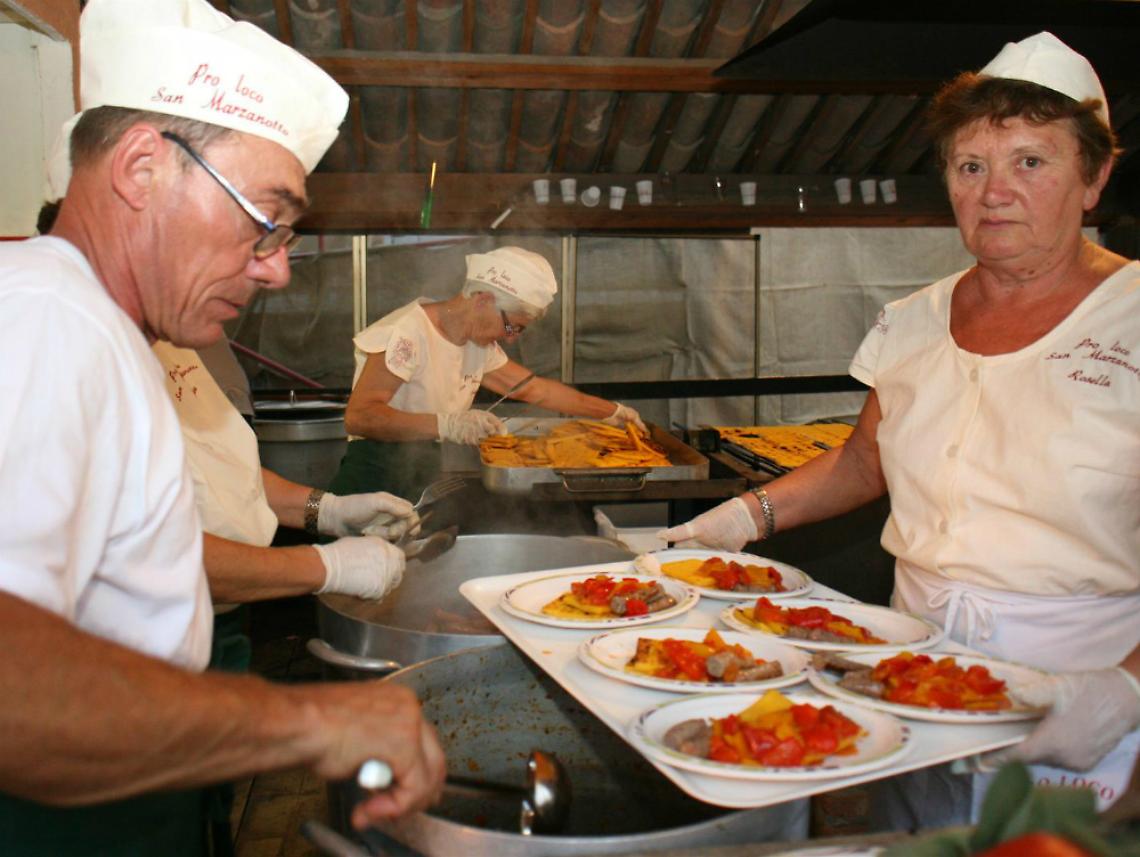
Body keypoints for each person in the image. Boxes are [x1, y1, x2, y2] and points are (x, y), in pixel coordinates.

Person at [661, 31, 1139, 826]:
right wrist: (741, 518)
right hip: (910, 677)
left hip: (1080, 702)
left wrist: (1125, 692)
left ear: (1094, 178)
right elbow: (861, 462)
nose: (995, 191)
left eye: (1031, 161)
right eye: (970, 165)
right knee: (916, 835)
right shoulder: (913, 321)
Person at [0, 1, 444, 853]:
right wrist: (311, 719)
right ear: (141, 168)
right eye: (266, 217)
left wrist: (322, 514)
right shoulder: (46, 315)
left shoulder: (110, 330)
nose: (276, 266)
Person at [329, 246, 647, 498]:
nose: (510, 337)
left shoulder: (475, 344)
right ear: (483, 299)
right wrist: (448, 424)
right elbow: (360, 417)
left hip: (422, 470)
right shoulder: (407, 333)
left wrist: (612, 412)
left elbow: (534, 389)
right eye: (512, 326)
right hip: (371, 475)